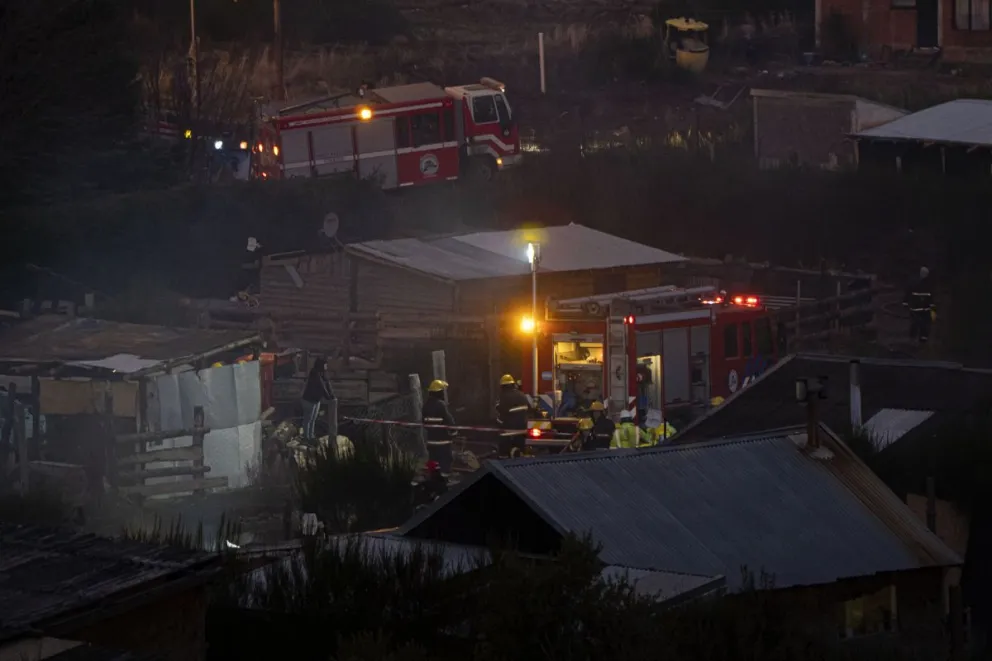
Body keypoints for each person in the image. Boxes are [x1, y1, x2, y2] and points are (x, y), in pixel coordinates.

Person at [301, 358, 333, 444]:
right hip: (309, 400)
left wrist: (331, 395)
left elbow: (327, 383)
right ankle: (306, 437)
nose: (326, 366)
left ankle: (311, 436)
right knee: (308, 419)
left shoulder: (322, 373)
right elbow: (321, 386)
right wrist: (328, 397)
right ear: (321, 365)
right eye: (325, 365)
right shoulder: (315, 373)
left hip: (315, 400)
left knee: (313, 419)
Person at [904, 266, 935, 344]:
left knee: (921, 326)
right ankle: (915, 340)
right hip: (918, 309)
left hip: (921, 309)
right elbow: (909, 293)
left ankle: (919, 341)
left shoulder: (927, 284)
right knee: (917, 325)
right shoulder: (925, 283)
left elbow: (930, 296)